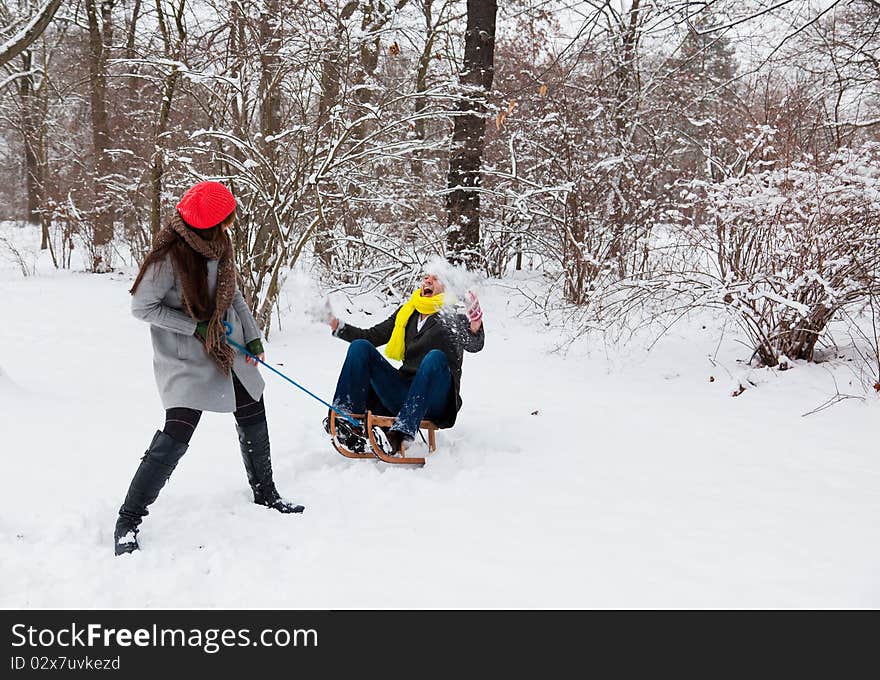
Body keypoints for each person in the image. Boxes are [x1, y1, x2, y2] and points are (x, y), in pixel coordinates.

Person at [114, 181, 303, 556]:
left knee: (252, 404)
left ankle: (265, 493)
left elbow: (233, 295)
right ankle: (128, 520)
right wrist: (195, 327)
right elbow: (142, 308)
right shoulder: (168, 257)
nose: (232, 220)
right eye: (228, 215)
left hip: (225, 346)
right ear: (212, 221)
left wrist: (253, 337)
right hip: (185, 355)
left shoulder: (220, 245)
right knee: (178, 430)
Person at [326, 271, 484, 454]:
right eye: (426, 278)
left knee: (435, 357)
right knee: (360, 347)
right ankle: (346, 420)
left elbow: (474, 344)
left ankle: (401, 433)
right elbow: (370, 336)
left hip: (437, 398)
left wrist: (475, 325)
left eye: (435, 278)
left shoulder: (455, 314)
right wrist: (335, 324)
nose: (428, 281)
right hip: (403, 391)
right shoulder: (407, 311)